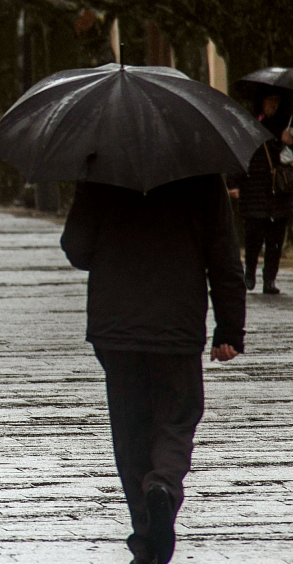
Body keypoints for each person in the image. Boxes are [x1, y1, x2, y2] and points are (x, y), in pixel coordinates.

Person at [60, 176, 245, 564]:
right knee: (177, 417)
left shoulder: (101, 169)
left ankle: (146, 540)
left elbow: (77, 247)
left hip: (116, 324)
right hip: (177, 324)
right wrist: (229, 329)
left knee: (130, 431)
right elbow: (224, 256)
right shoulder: (201, 174)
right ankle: (162, 484)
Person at [228, 92, 293, 294]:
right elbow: (239, 152)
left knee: (276, 238)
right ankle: (250, 271)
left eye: (276, 100)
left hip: (280, 188)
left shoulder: (288, 123)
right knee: (253, 234)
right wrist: (233, 183)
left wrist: (291, 141)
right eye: (269, 100)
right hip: (254, 186)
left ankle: (270, 278)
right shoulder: (249, 123)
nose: (273, 104)